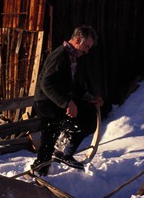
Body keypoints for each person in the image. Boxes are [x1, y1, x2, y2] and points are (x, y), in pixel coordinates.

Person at [31, 25, 103, 176]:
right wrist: (67, 103)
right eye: (86, 46)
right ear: (77, 40)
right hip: (47, 102)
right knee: (79, 123)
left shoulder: (71, 57)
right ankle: (58, 157)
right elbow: (47, 83)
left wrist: (91, 98)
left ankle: (45, 166)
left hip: (51, 102)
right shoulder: (61, 55)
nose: (87, 51)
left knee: (51, 137)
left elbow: (73, 86)